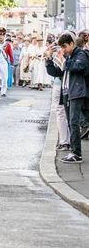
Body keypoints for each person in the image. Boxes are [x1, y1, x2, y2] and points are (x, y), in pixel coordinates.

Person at [45, 33, 89, 163]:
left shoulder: (81, 54)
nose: (63, 49)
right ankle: (74, 151)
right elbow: (55, 72)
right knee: (71, 122)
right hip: (67, 92)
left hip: (77, 92)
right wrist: (49, 59)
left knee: (74, 122)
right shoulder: (69, 57)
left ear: (71, 44)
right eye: (61, 47)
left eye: (64, 46)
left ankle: (77, 153)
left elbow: (78, 67)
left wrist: (64, 59)